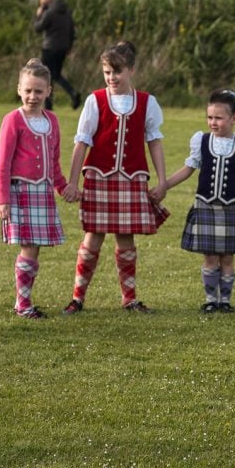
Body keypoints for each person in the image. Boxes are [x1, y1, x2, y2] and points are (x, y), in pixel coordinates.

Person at [61, 41, 169, 314]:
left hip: (132, 178)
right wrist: (73, 182)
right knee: (92, 237)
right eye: (107, 72)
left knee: (126, 239)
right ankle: (77, 298)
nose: (111, 77)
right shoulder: (95, 100)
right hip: (98, 178)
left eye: (117, 71)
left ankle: (129, 298)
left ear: (131, 70)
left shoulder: (147, 102)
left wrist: (163, 180)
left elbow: (154, 142)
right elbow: (82, 142)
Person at [163, 89, 235, 313]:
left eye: (218, 118)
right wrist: (164, 185)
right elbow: (188, 169)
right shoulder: (201, 141)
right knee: (210, 257)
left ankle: (224, 300)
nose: (213, 122)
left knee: (227, 258)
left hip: (231, 208)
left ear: (234, 118)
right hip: (205, 205)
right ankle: (210, 300)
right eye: (210, 117)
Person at [0, 58, 69, 318]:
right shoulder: (13, 120)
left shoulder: (53, 121)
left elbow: (54, 163)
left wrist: (64, 188)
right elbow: (2, 164)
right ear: (19, 89)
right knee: (29, 247)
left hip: (43, 193)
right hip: (20, 193)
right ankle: (23, 304)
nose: (33, 96)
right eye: (28, 90)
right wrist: (2, 200)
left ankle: (23, 301)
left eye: (38, 91)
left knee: (34, 248)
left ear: (49, 91)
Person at [33, 0, 81, 110]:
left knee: (46, 75)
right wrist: (69, 47)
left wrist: (39, 15)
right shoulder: (67, 13)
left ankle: (49, 103)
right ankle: (72, 93)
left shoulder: (49, 13)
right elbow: (72, 32)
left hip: (49, 48)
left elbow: (38, 28)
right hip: (63, 48)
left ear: (45, 3)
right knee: (56, 75)